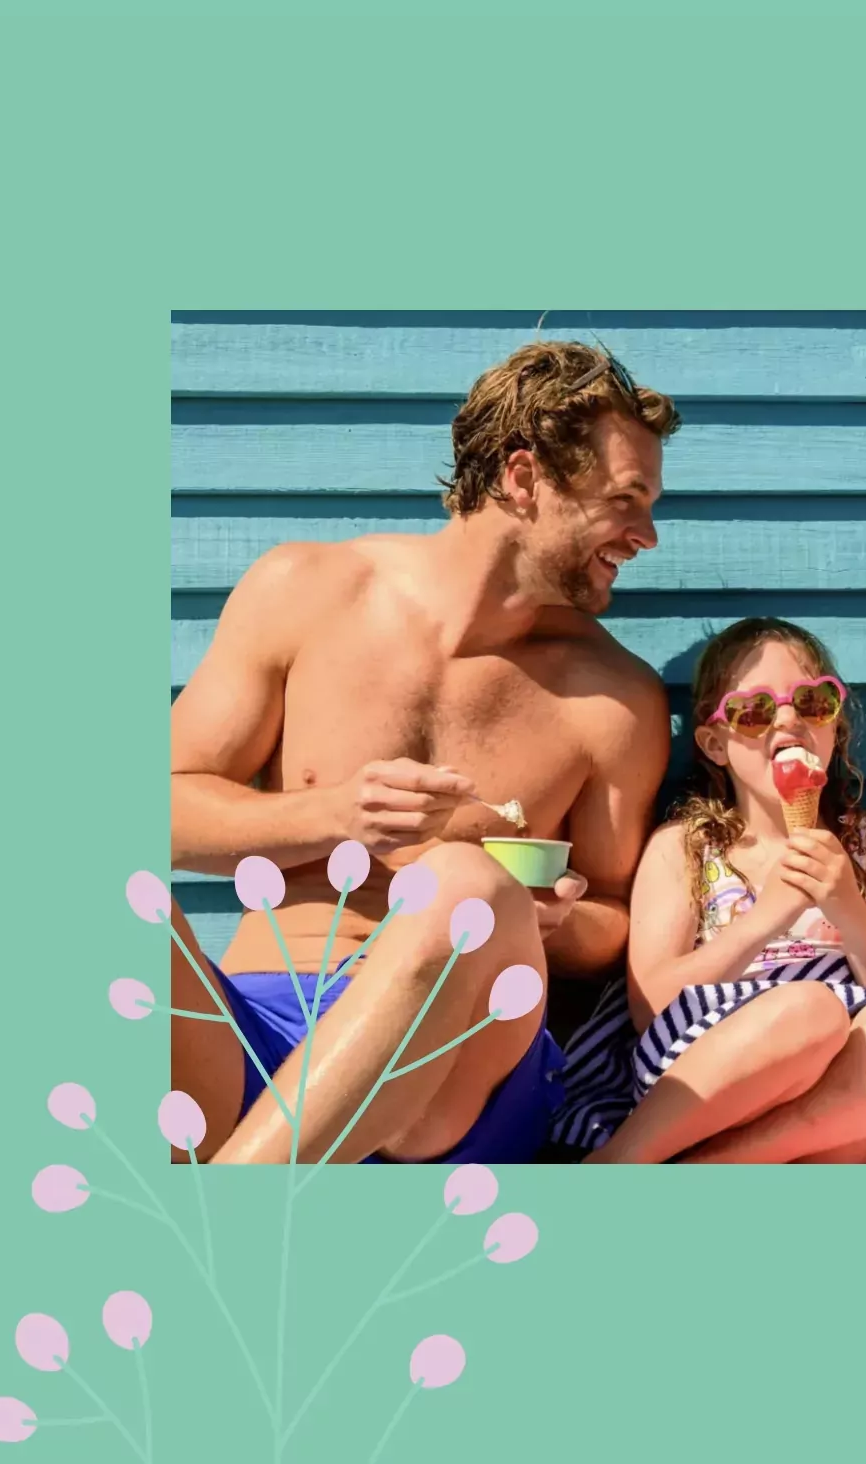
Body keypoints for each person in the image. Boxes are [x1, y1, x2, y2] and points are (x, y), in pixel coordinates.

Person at [167, 341, 679, 1164]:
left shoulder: (613, 699)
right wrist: (333, 815)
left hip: (452, 1087)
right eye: (626, 499)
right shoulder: (307, 592)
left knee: (463, 884)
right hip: (248, 1036)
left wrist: (544, 915)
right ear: (524, 478)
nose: (646, 535)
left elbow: (615, 919)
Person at [558, 618, 866, 1164]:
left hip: (841, 1085)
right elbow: (652, 1007)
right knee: (808, 1013)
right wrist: (766, 917)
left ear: (834, 726)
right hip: (710, 1071)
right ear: (715, 745)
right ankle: (621, 1161)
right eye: (755, 711)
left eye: (813, 702)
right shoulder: (687, 848)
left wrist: (848, 909)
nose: (788, 720)